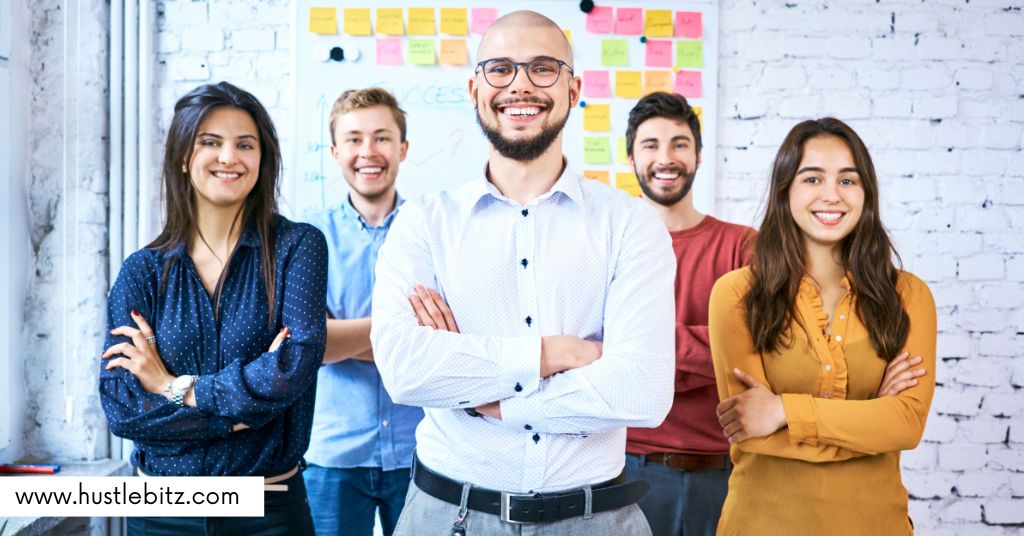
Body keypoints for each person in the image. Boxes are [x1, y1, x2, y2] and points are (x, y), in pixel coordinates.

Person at [369, 10, 675, 535]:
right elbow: (405, 368)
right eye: (501, 69)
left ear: (574, 88)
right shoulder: (424, 222)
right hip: (448, 518)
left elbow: (641, 391)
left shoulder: (630, 224)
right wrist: (547, 355)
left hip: (594, 520)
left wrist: (485, 395)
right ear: (474, 87)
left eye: (542, 68)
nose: (520, 85)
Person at [99, 81, 327, 535]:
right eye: (210, 143)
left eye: (245, 144)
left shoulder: (297, 248)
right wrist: (245, 413)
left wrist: (172, 387)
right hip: (159, 512)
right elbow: (123, 409)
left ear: (262, 160)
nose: (229, 157)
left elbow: (294, 368)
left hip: (269, 513)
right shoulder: (142, 271)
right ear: (184, 157)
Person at [709, 117, 935, 536]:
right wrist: (869, 421)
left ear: (866, 194)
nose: (831, 195)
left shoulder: (909, 296)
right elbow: (752, 433)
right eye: (812, 178)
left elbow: (905, 425)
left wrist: (783, 411)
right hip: (761, 524)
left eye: (848, 181)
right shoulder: (736, 294)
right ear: (786, 190)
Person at [621, 92, 755, 536]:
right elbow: (596, 352)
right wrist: (703, 351)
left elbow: (750, 352)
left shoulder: (744, 247)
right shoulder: (609, 249)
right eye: (651, 144)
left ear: (698, 155)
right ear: (631, 158)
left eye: (679, 144)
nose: (666, 157)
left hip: (726, 473)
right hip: (626, 470)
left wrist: (646, 354)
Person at [303, 88, 423, 536]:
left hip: (422, 451)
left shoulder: (433, 233)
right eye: (353, 139)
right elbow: (309, 343)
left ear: (403, 148)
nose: (367, 152)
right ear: (335, 152)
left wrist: (343, 338)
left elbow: (444, 341)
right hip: (334, 453)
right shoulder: (307, 238)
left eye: (381, 138)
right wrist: (402, 335)